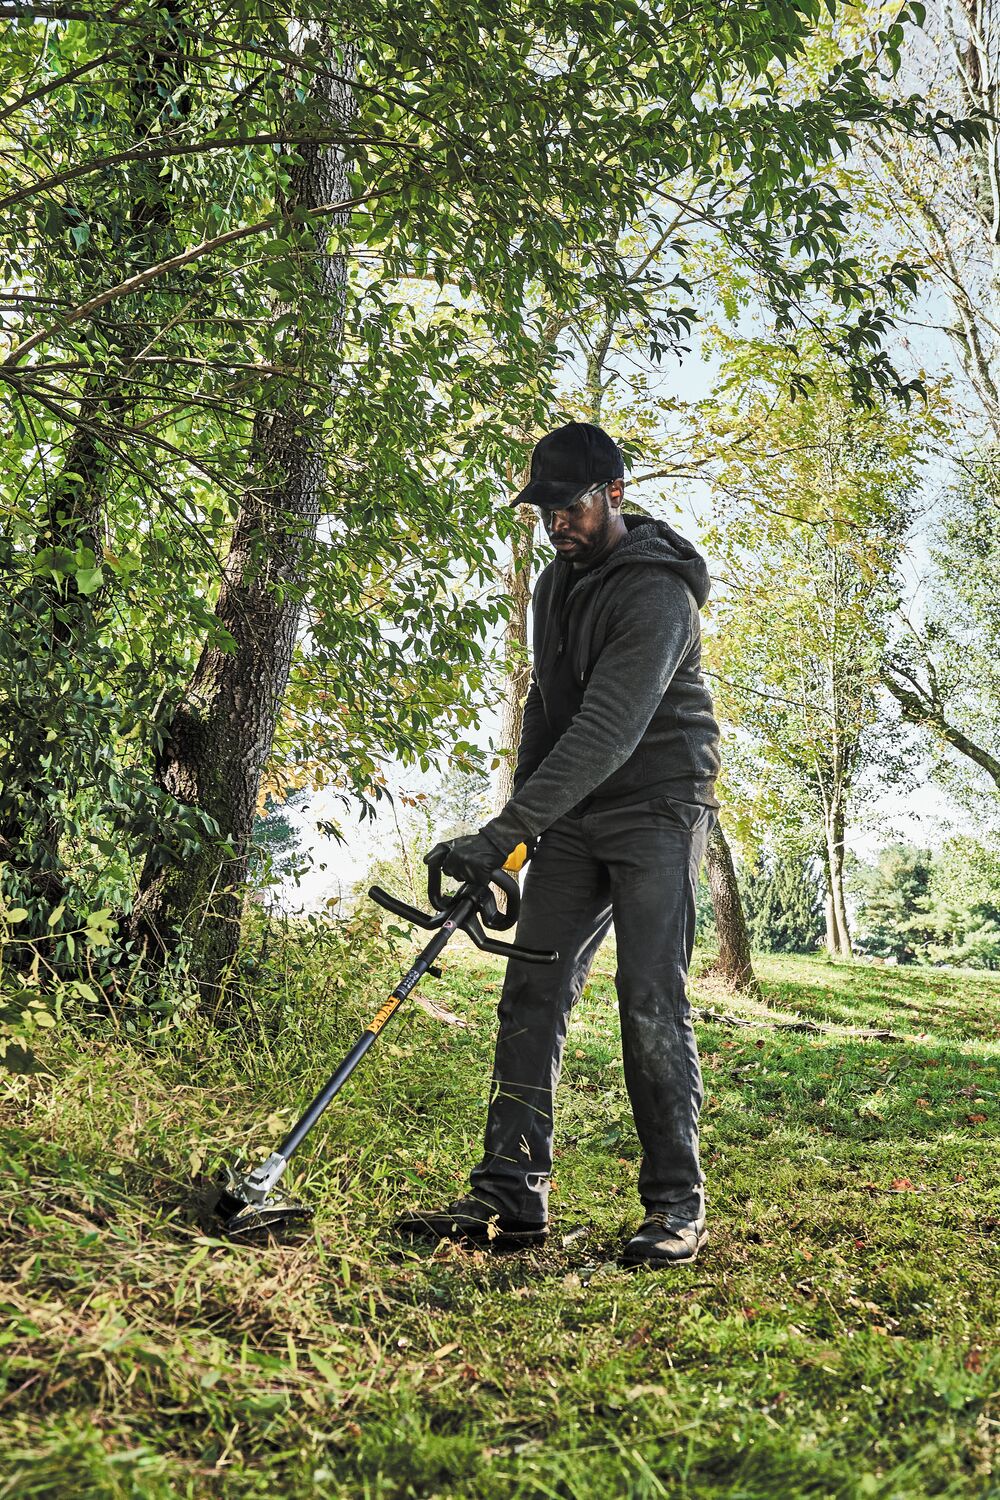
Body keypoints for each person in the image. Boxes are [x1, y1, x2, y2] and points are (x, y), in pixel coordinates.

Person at [396, 421, 721, 1267]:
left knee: (649, 997)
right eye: (544, 511)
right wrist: (511, 839)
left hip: (659, 805)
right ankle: (510, 1194)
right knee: (532, 990)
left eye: (569, 507)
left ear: (613, 494)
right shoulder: (554, 585)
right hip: (576, 814)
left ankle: (676, 1206)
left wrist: (504, 831)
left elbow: (609, 729)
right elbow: (547, 705)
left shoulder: (659, 595)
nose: (556, 525)